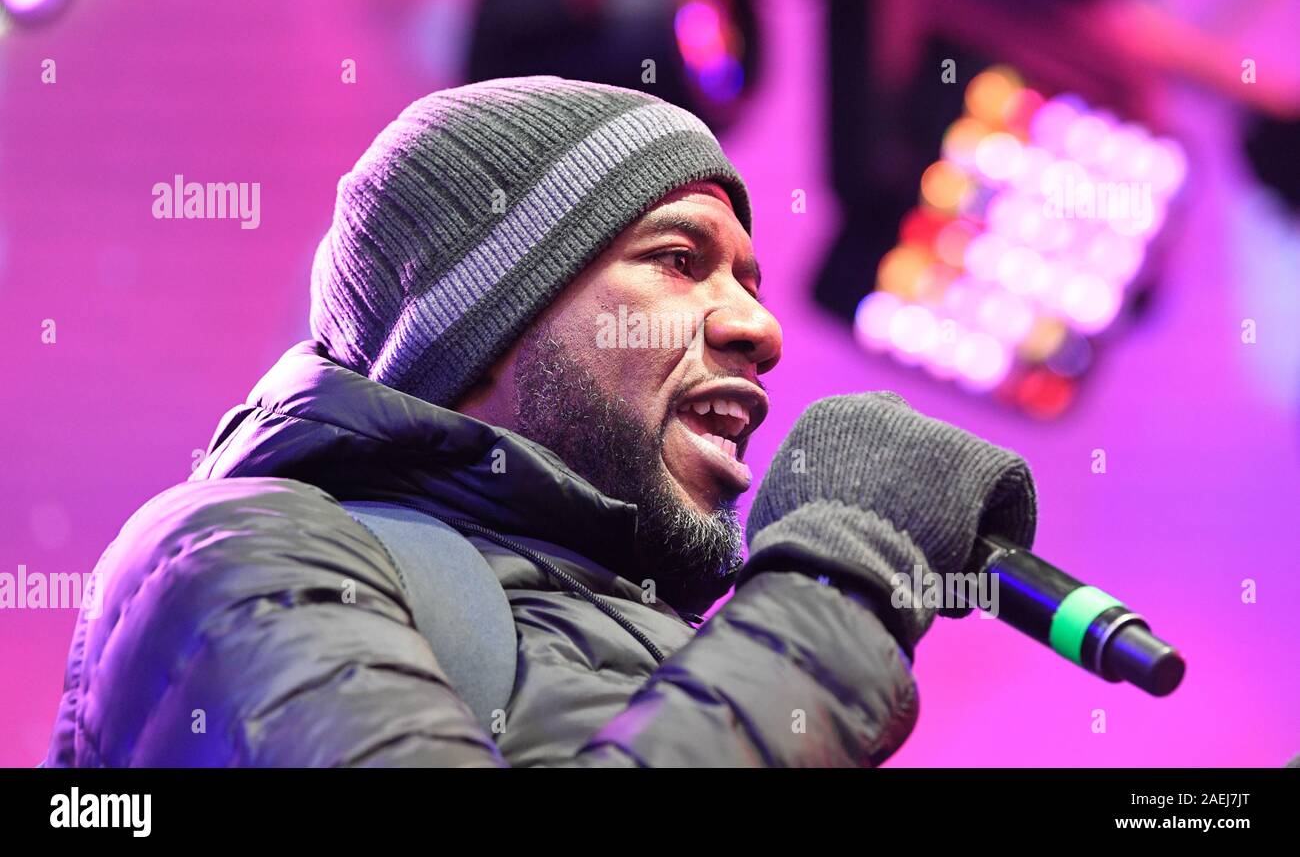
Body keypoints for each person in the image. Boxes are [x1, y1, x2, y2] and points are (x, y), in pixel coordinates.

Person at [43, 75, 1036, 767]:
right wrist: (839, 585)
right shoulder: (230, 549)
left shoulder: (702, 660)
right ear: (488, 317)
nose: (759, 326)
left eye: (748, 277)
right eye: (679, 260)